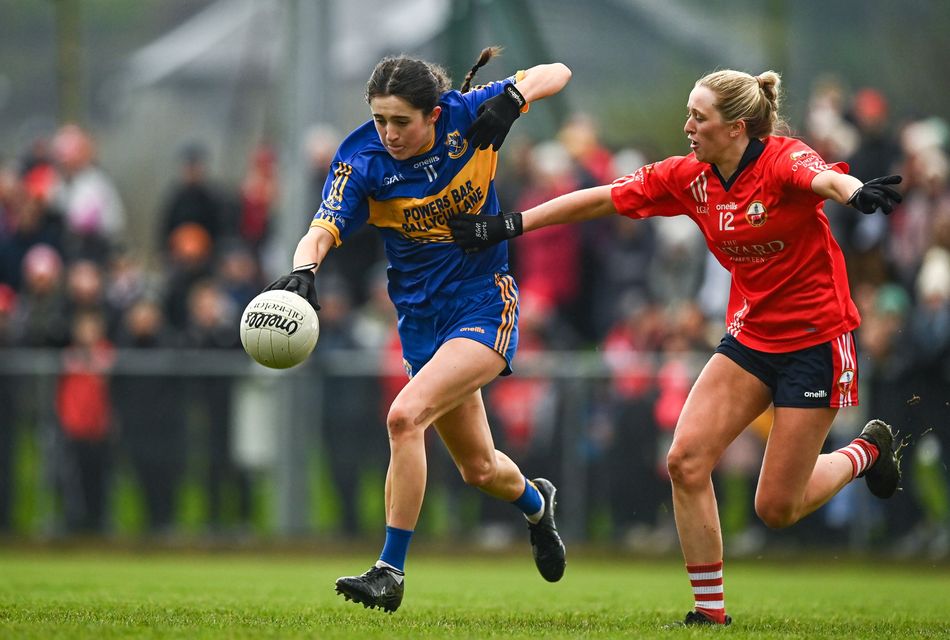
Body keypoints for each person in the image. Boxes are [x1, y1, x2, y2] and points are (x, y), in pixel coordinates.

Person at [450, 69, 904, 626]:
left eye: (699, 117)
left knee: (775, 509)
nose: (686, 126)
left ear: (737, 127)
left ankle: (866, 453)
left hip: (817, 342)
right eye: (688, 113)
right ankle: (709, 614)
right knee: (686, 461)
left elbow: (825, 181)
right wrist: (510, 225)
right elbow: (599, 200)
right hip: (751, 337)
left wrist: (855, 191)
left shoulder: (782, 159)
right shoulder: (689, 178)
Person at [264, 47, 571, 613]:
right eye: (379, 119)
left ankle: (390, 570)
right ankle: (537, 504)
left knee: (405, 416)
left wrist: (514, 97)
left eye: (400, 121)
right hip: (422, 322)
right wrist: (303, 270)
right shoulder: (361, 161)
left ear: (432, 114)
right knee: (479, 468)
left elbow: (558, 72)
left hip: (483, 303)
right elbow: (321, 228)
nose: (388, 133)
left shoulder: (467, 116)